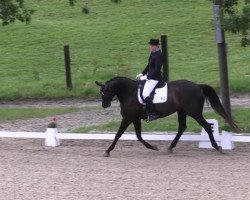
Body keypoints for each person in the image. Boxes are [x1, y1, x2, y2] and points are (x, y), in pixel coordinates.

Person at [136, 38, 163, 122]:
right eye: (150, 46)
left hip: (155, 78)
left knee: (145, 94)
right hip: (150, 76)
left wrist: (147, 77)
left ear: (156, 46)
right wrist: (142, 73)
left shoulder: (159, 55)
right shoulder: (153, 53)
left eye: (152, 46)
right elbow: (149, 65)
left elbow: (157, 70)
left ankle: (153, 114)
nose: (150, 47)